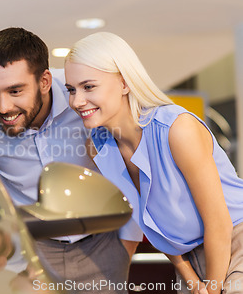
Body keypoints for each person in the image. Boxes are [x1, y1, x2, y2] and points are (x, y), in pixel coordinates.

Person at [0, 27, 142, 294]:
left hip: (103, 246)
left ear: (44, 81)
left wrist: (127, 244)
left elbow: (128, 164)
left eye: (16, 91)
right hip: (29, 251)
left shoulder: (82, 96)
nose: (3, 107)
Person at [64, 31, 243, 294]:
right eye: (71, 89)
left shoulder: (177, 129)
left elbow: (219, 223)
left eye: (88, 87)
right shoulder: (98, 146)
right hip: (189, 259)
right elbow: (154, 223)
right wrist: (192, 279)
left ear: (124, 83)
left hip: (234, 241)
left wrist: (212, 288)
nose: (77, 101)